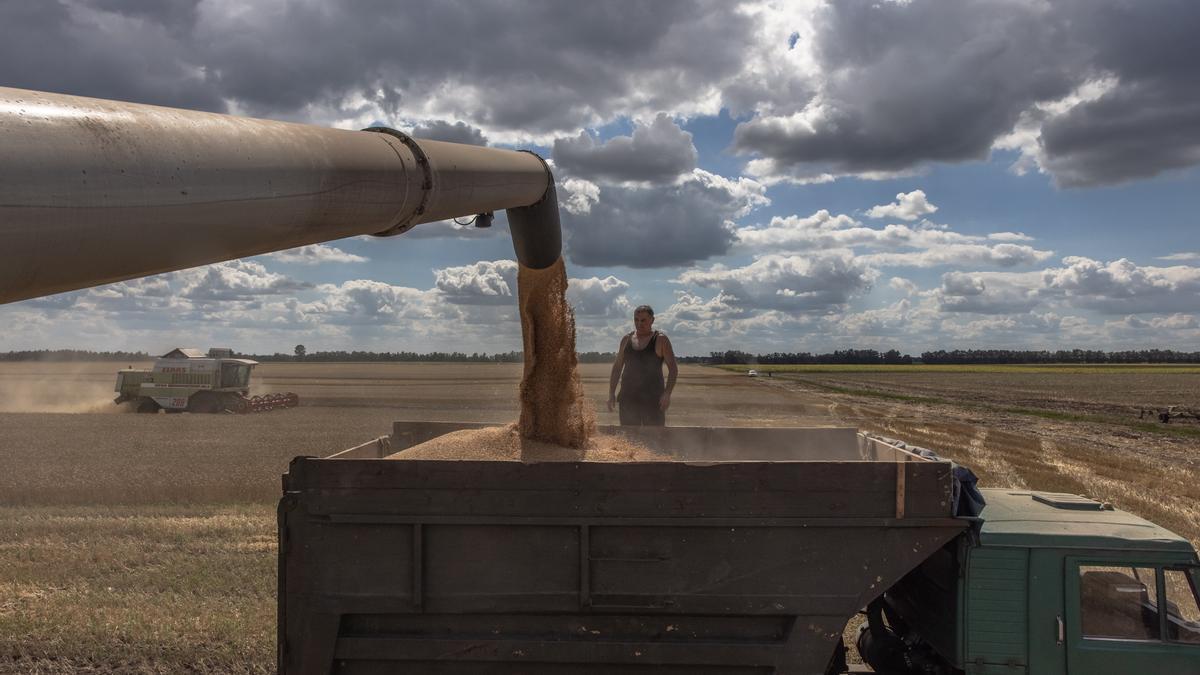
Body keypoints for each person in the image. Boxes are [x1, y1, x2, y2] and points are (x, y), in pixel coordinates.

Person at [607, 305, 678, 426]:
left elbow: (673, 369)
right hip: (628, 398)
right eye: (636, 320)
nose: (639, 323)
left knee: (654, 438)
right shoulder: (626, 340)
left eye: (643, 320)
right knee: (629, 438)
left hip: (653, 399)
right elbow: (617, 368)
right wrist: (611, 393)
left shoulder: (660, 340)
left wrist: (667, 394)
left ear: (652, 320)